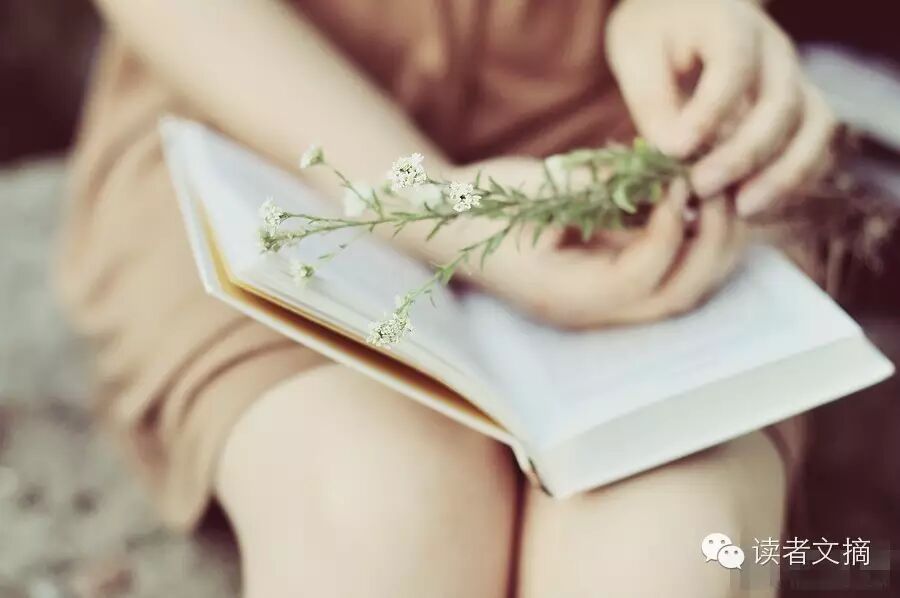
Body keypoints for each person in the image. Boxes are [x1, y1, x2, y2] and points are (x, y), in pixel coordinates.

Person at [57, 0, 833, 595]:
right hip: (272, 122)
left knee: (663, 553)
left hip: (637, 135)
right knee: (379, 519)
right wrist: (428, 198)